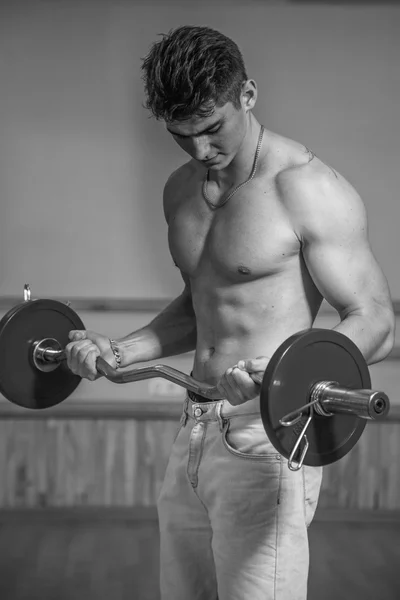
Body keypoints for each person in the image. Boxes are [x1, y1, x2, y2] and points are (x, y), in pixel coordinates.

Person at [65, 26, 395, 600]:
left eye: (212, 128)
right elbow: (200, 306)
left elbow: (375, 320)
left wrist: (286, 368)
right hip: (193, 428)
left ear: (247, 94)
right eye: (180, 135)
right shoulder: (180, 190)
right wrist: (124, 350)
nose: (199, 150)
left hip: (267, 434)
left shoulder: (308, 189)